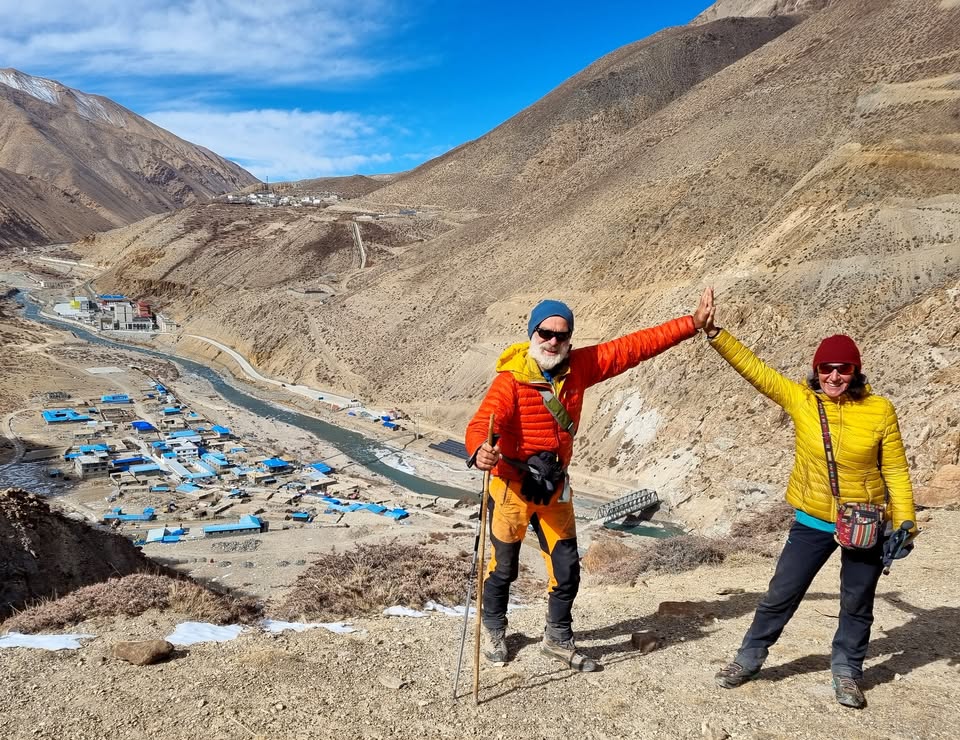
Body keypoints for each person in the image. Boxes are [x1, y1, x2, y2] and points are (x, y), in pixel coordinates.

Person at [466, 288, 714, 671]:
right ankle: (495, 630)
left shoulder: (579, 367)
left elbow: (633, 347)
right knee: (502, 567)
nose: (552, 341)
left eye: (561, 335)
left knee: (567, 569)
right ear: (531, 334)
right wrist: (479, 450)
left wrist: (691, 324)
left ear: (570, 339)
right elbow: (484, 423)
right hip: (511, 487)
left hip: (553, 488)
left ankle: (558, 638)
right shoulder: (510, 381)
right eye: (544, 333)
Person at [704, 297, 917, 709]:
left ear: (856, 370)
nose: (834, 375)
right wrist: (715, 334)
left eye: (843, 368)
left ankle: (847, 672)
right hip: (813, 519)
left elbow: (895, 471)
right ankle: (748, 659)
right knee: (780, 594)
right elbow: (757, 371)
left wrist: (906, 522)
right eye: (826, 368)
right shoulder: (802, 400)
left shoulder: (880, 410)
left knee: (857, 602)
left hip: (866, 522)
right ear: (816, 371)